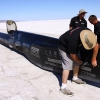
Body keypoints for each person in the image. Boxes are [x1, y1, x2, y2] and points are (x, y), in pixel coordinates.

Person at [58, 27, 98, 95]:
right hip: (64, 46)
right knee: (68, 65)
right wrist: (80, 62)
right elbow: (73, 56)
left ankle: (75, 78)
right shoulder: (73, 41)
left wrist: (94, 59)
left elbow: (96, 45)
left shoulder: (89, 34)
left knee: (77, 61)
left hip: (74, 45)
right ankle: (63, 87)